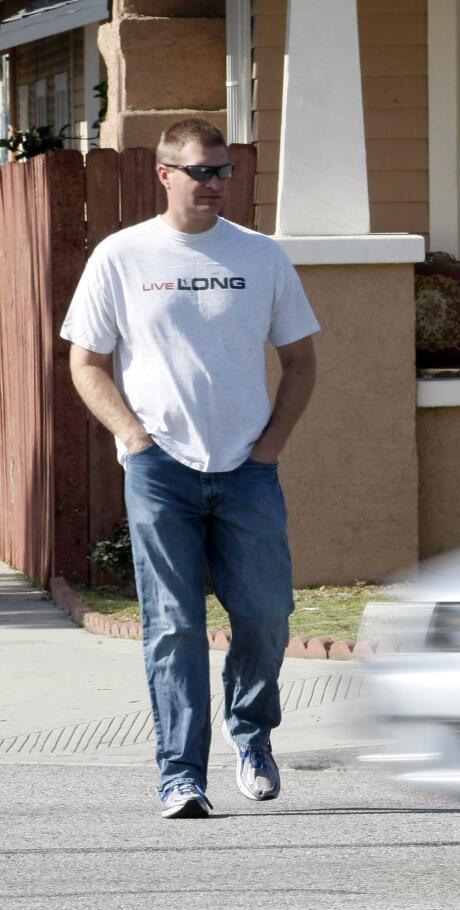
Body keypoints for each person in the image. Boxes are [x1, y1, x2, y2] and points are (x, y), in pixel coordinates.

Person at [60, 119, 320, 819]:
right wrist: (133, 435)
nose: (214, 185)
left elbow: (301, 362)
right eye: (201, 172)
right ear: (165, 173)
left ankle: (252, 733)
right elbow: (86, 361)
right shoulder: (122, 256)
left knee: (266, 614)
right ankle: (180, 772)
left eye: (224, 172)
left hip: (246, 468)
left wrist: (270, 445)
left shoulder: (262, 256)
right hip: (160, 468)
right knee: (172, 622)